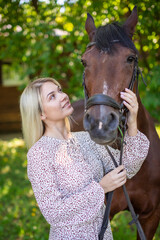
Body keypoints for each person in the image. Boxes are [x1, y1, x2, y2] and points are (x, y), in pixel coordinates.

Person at [20, 77, 149, 240]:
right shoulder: (39, 154)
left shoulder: (86, 139)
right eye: (52, 96)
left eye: (59, 90)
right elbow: (54, 212)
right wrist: (101, 188)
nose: (63, 96)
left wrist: (132, 121)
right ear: (40, 114)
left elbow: (127, 166)